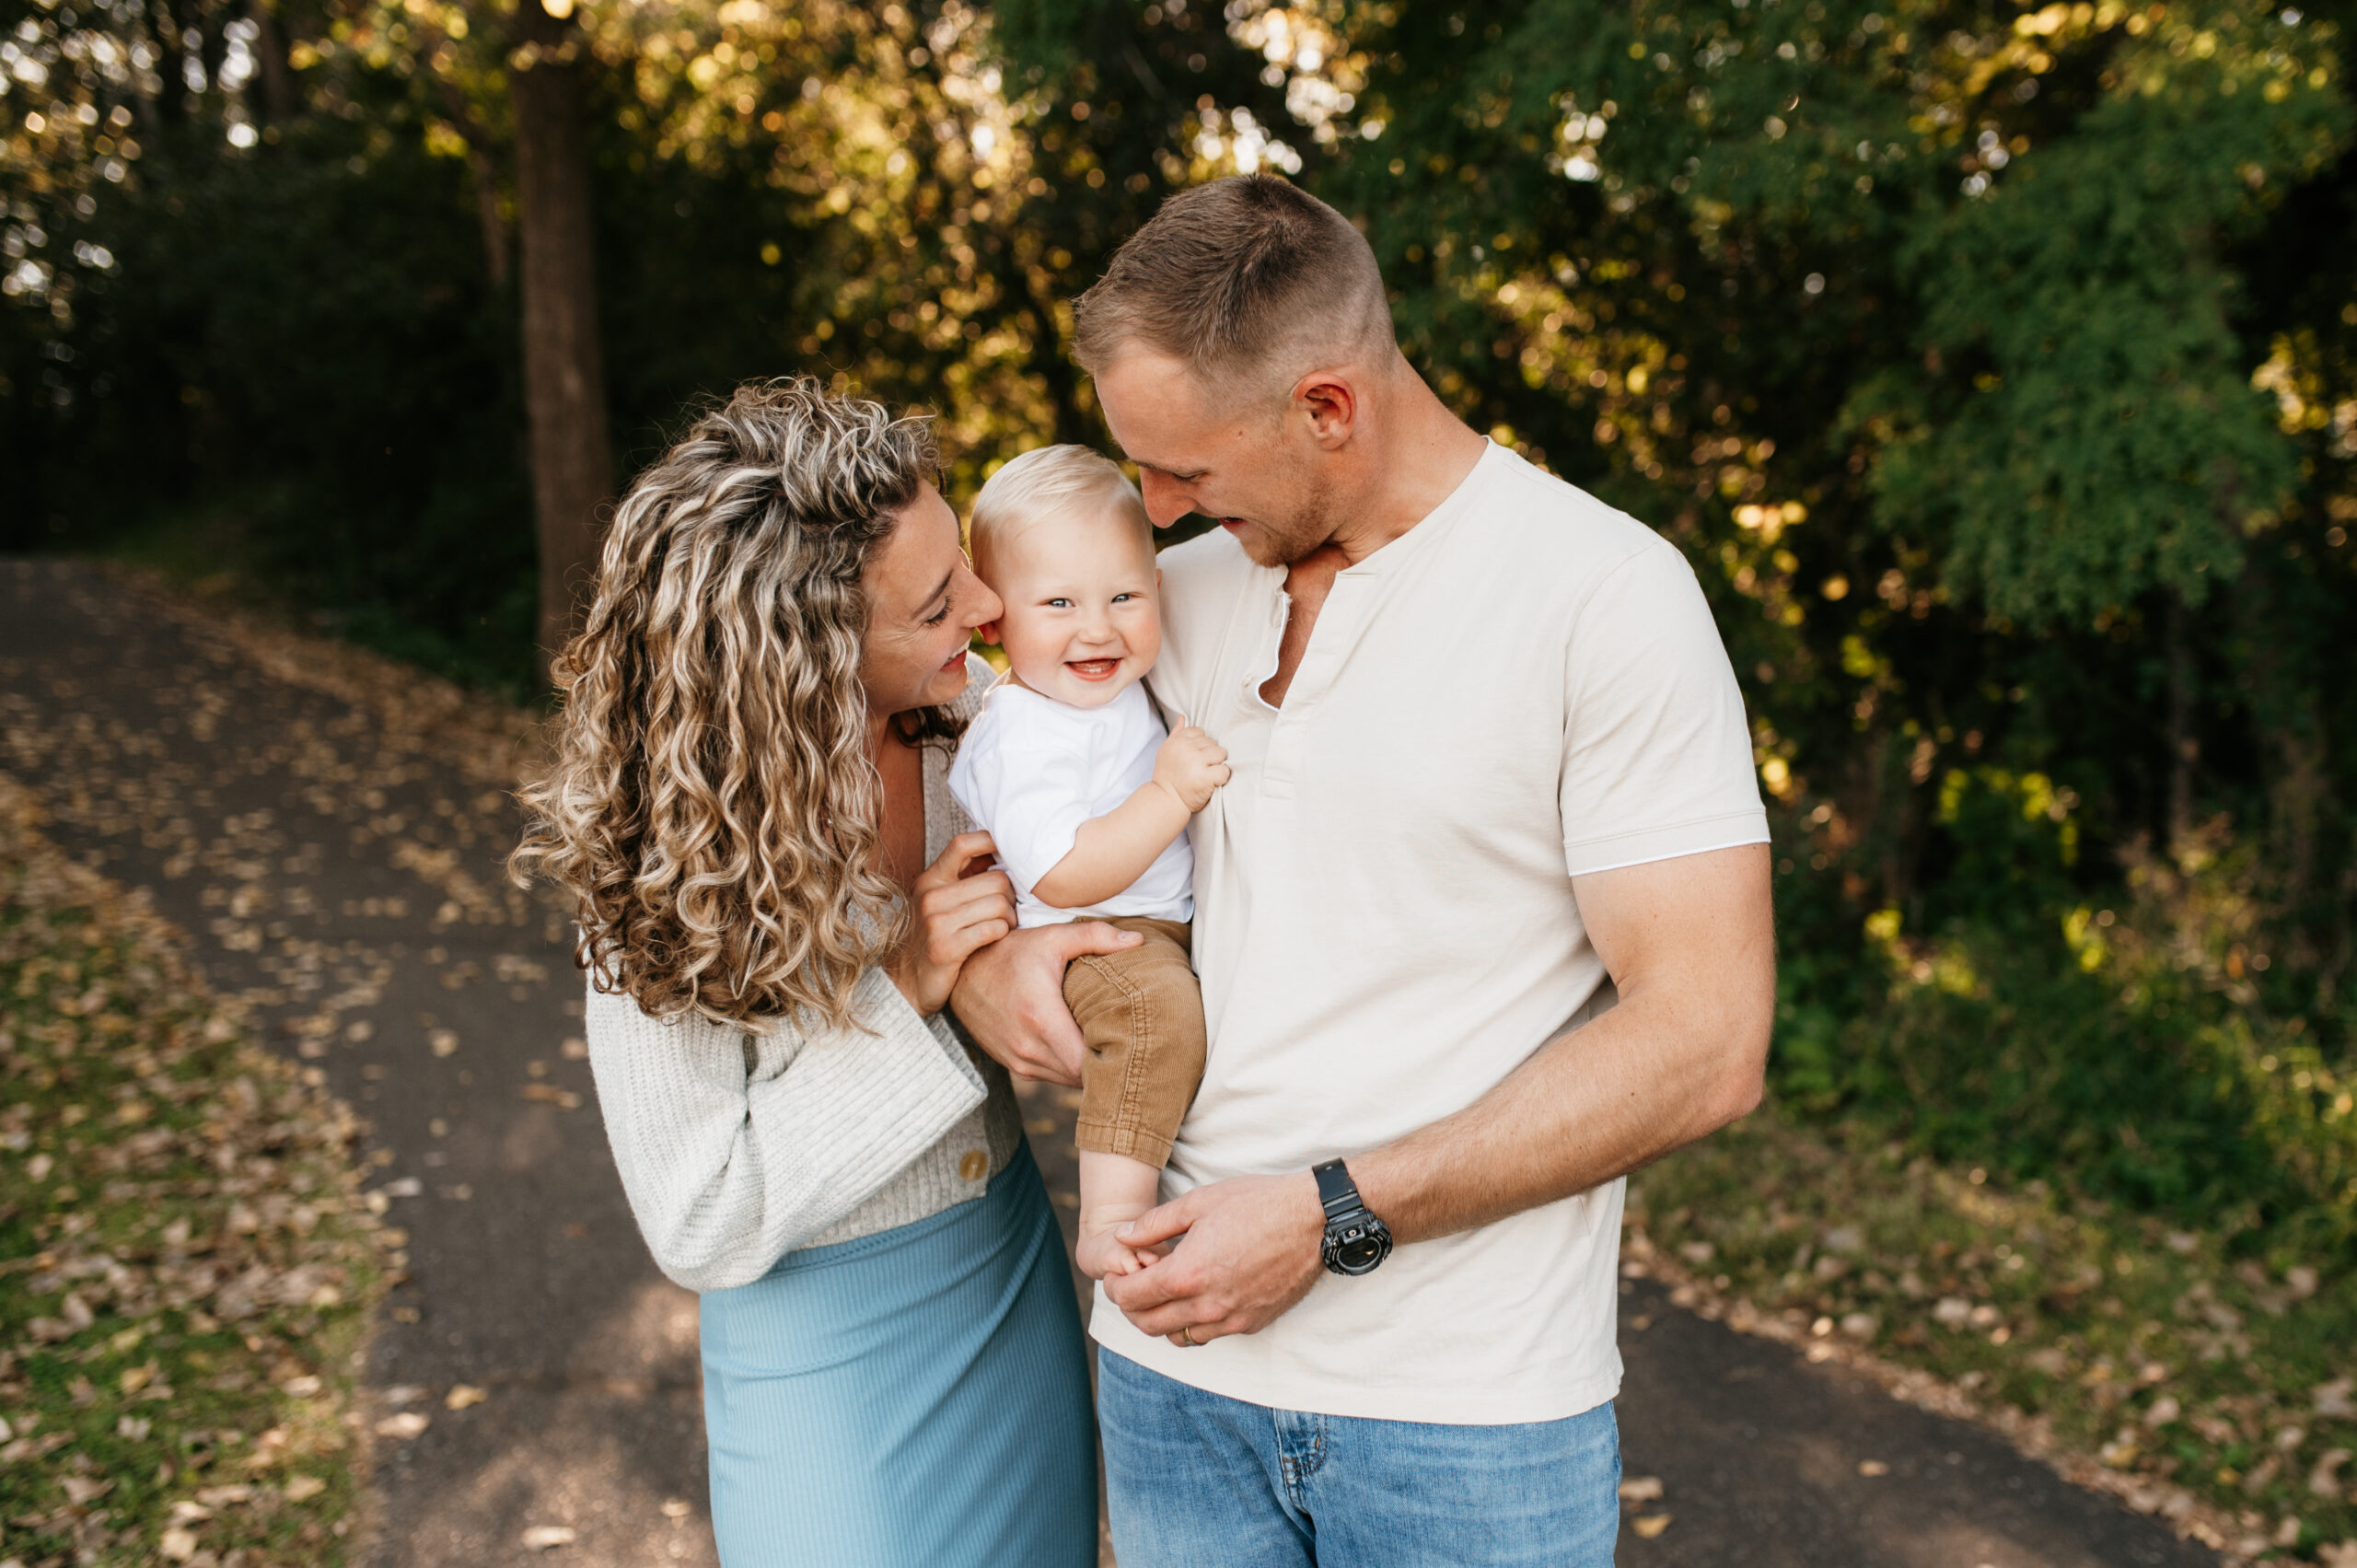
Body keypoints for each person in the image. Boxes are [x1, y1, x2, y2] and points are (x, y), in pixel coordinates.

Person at [954, 175, 1779, 1565]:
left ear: (1326, 408)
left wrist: (1330, 1213)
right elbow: (993, 807)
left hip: (1467, 1422)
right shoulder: (1163, 606)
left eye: (1186, 472)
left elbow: (1707, 1040)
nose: (1150, 511)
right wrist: (993, 964)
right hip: (1173, 1381)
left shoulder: (1607, 598)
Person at [510, 379, 1109, 1568]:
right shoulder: (659, 847)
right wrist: (912, 980)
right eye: (941, 601)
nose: (990, 608)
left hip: (1007, 1274)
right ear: (808, 654)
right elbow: (696, 1211)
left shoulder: (977, 720)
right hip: (822, 1354)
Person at [947, 445, 1230, 1281]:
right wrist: (1170, 796)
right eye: (1060, 602)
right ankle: (1110, 1218)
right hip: (1089, 932)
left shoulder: (1113, 690)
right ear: (995, 622)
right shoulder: (1023, 731)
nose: (1097, 626)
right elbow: (1063, 869)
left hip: (1143, 920)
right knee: (1155, 1021)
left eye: (1123, 596)